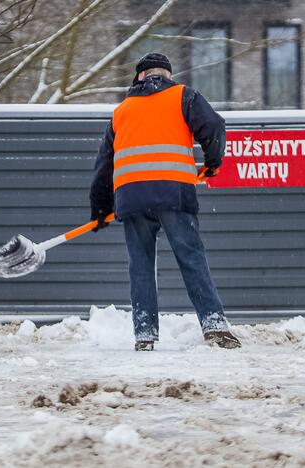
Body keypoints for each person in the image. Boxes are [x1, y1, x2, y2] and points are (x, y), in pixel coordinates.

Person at [89, 52, 241, 351]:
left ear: (140, 77)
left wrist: (100, 207)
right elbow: (214, 127)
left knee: (141, 266)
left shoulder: (122, 111)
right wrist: (212, 162)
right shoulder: (184, 97)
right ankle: (213, 325)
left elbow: (104, 164)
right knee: (191, 259)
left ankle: (144, 334)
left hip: (131, 197)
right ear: (167, 75)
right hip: (175, 193)